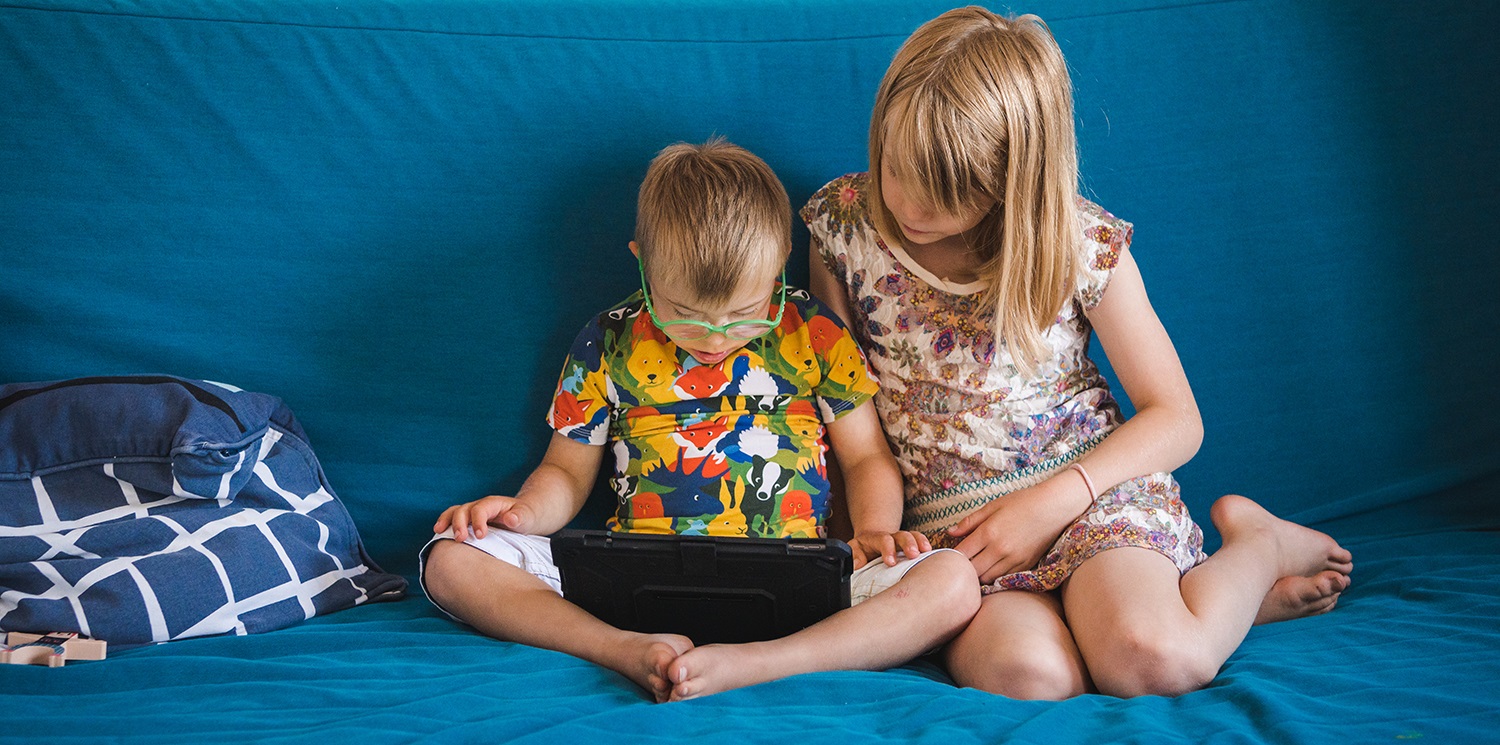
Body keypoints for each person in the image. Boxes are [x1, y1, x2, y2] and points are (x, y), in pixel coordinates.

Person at [802, 7, 1353, 699]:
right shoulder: (842, 230)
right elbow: (843, 413)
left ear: (1014, 178)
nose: (910, 204)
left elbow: (1177, 418)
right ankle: (1196, 603)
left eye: (948, 191)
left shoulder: (1081, 246)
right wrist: (865, 541)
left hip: (1088, 499)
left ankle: (1258, 547)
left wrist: (1046, 506)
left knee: (1152, 662)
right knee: (1033, 678)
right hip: (957, 544)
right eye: (896, 169)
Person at [421, 139, 979, 703]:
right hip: (634, 584)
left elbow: (865, 458)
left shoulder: (815, 331)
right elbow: (565, 473)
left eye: (743, 315)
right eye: (685, 315)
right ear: (642, 262)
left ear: (781, 259)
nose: (715, 339)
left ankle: (764, 664)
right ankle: (622, 651)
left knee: (952, 581)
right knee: (451, 557)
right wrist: (520, 515)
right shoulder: (607, 340)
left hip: (798, 585)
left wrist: (872, 533)